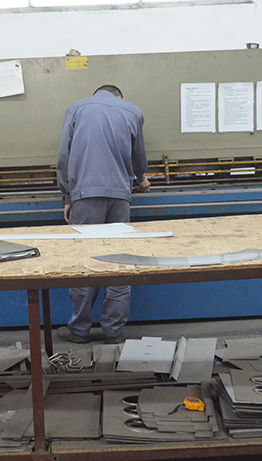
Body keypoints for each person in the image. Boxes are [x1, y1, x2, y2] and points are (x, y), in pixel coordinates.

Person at [56, 84, 150, 345]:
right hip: (120, 196)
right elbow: (139, 154)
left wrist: (67, 196)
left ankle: (79, 331)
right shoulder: (132, 111)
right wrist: (141, 178)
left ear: (96, 94)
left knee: (86, 263)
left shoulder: (77, 108)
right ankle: (113, 332)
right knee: (118, 264)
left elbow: (64, 155)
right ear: (122, 97)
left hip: (85, 195)